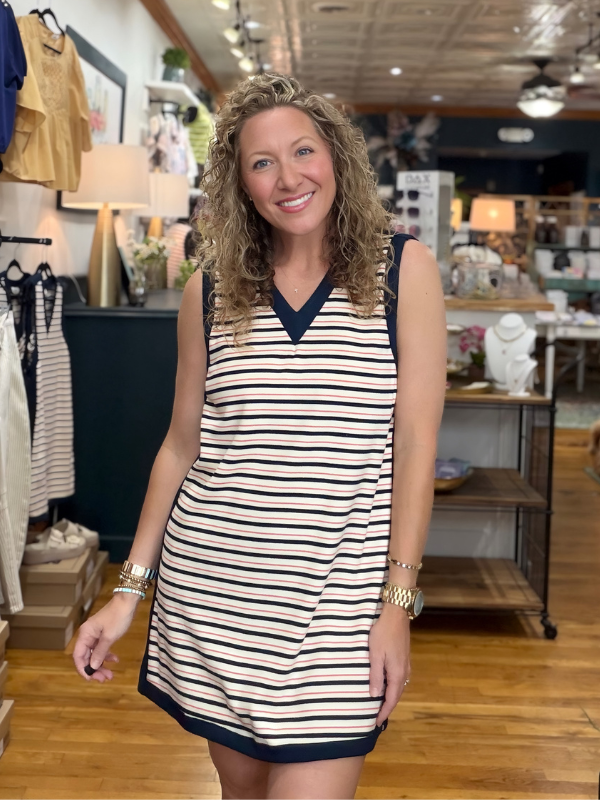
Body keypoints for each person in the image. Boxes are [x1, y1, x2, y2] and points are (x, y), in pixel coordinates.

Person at [73, 73, 446, 800]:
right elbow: (181, 448)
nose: (288, 177)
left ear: (335, 156)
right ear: (241, 185)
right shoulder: (208, 293)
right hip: (217, 605)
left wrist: (398, 606)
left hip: (339, 614)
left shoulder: (404, 273)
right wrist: (127, 593)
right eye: (261, 162)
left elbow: (415, 445)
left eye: (303, 150)